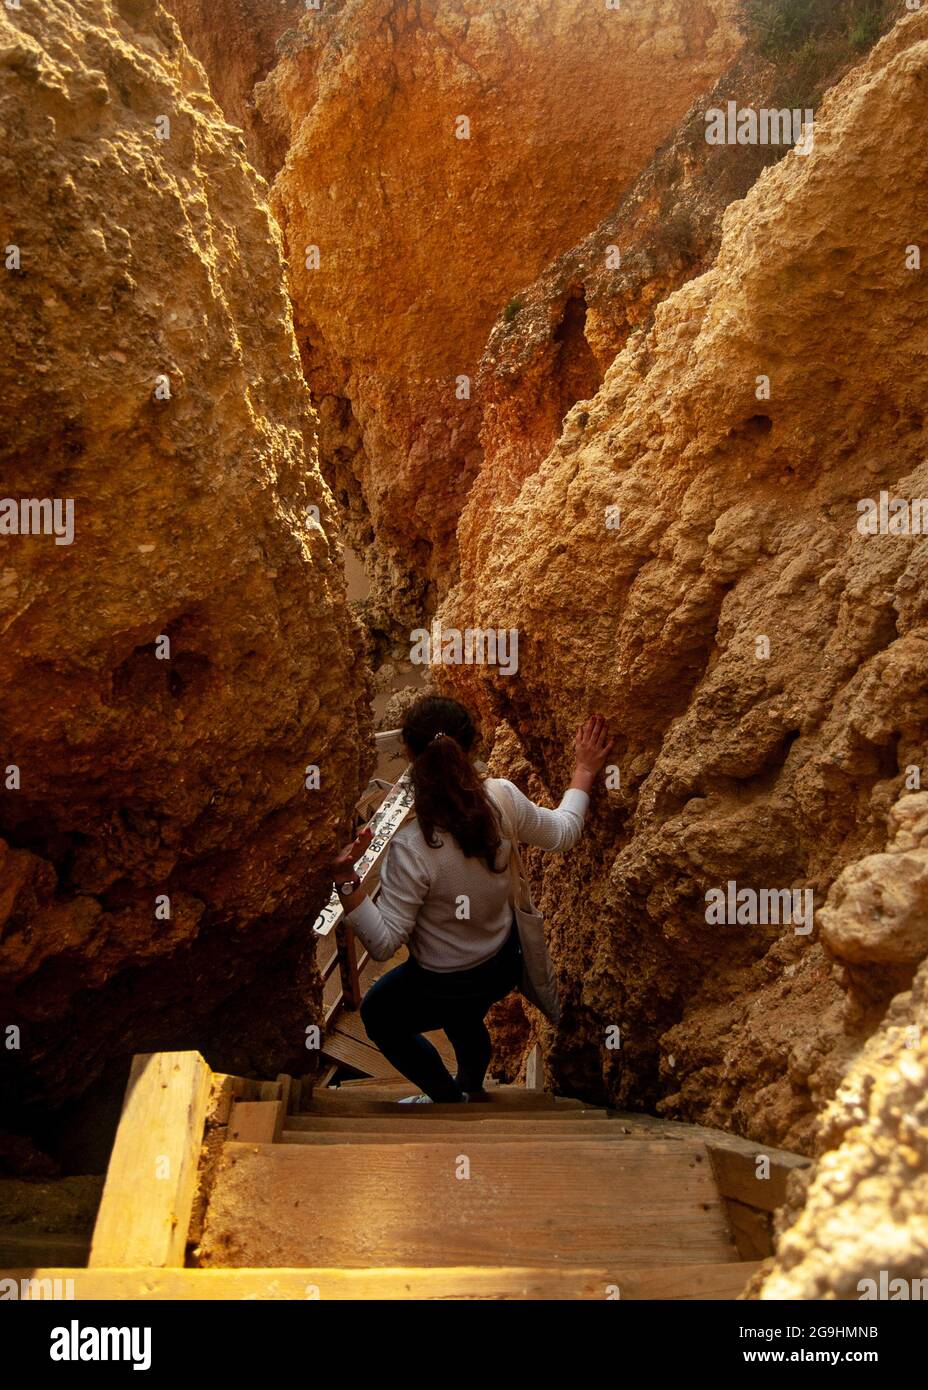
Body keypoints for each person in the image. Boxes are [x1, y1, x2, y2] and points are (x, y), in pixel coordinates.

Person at [330, 696, 612, 1103]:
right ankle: (471, 1087)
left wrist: (345, 879)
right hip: (500, 966)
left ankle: (446, 1099)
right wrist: (584, 769)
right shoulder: (502, 799)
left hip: (440, 984)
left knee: (380, 1016)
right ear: (473, 747)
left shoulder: (412, 848)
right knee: (465, 1016)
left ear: (409, 754)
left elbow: (383, 943)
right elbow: (564, 833)